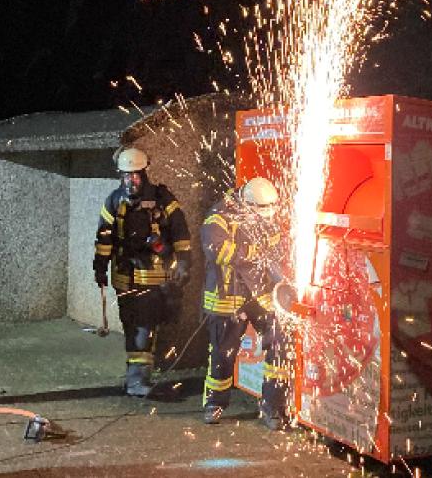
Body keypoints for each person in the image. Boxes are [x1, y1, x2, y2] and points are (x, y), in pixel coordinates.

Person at [93, 146, 191, 396]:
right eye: (126, 175)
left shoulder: (163, 199)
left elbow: (180, 232)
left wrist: (183, 262)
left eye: (135, 174)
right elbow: (104, 237)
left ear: (145, 172)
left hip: (153, 276)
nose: (131, 180)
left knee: (146, 328)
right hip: (125, 277)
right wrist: (100, 268)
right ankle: (135, 379)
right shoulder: (114, 201)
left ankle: (138, 380)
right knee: (132, 326)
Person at [200, 177, 291, 430]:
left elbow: (274, 254)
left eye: (270, 209)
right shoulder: (219, 216)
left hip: (259, 293)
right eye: (261, 210)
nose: (267, 215)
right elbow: (216, 249)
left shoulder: (267, 216)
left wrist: (283, 280)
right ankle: (214, 403)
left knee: (280, 339)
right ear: (247, 204)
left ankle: (273, 406)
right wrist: (251, 252)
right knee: (222, 352)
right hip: (227, 296)